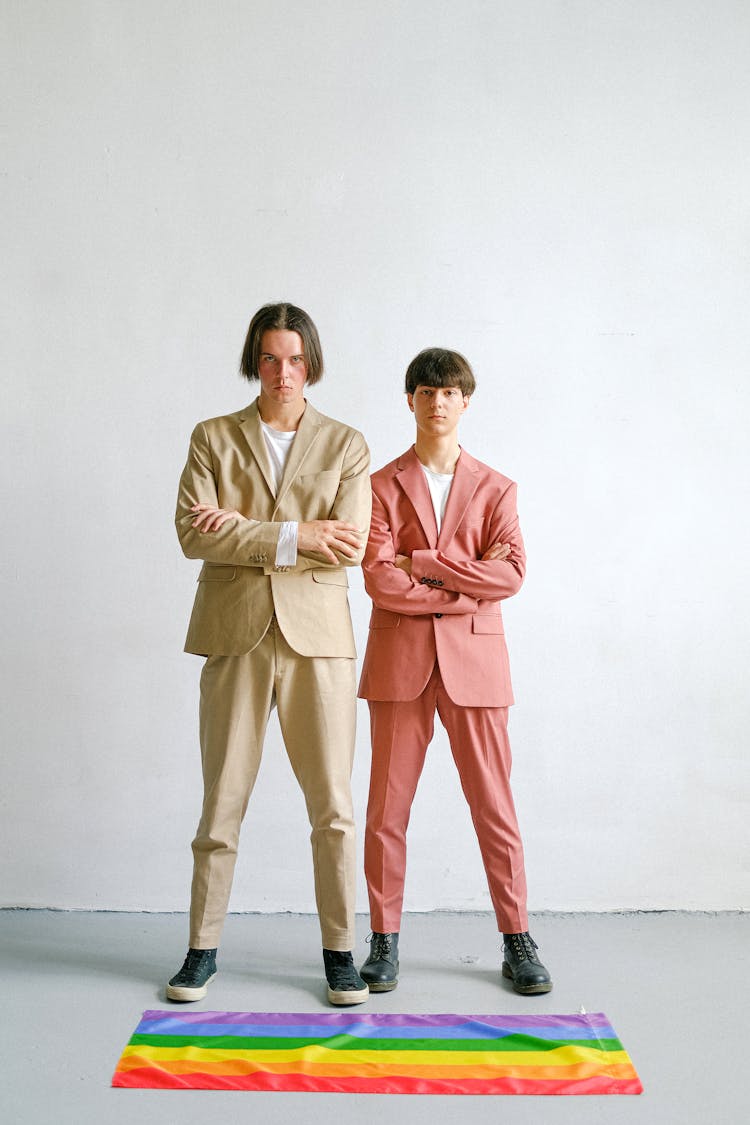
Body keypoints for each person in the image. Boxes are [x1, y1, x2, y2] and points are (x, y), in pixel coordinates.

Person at [167, 302, 371, 1006]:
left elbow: (351, 541)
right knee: (220, 802)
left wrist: (249, 530)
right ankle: (201, 948)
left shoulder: (346, 444)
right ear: (253, 360)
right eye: (269, 358)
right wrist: (295, 535)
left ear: (310, 361)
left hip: (320, 641)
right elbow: (194, 534)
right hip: (236, 634)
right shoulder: (213, 437)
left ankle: (341, 952)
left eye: (294, 358)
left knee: (335, 808)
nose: (283, 372)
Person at [357, 347, 552, 995]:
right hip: (399, 666)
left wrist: (427, 563)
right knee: (387, 809)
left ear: (466, 401)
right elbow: (380, 581)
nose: (437, 402)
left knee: (495, 805)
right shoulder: (381, 485)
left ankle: (517, 936)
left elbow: (513, 573)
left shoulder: (498, 488)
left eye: (449, 392)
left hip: (477, 667)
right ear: (409, 399)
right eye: (425, 391)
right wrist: (466, 577)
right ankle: (383, 939)